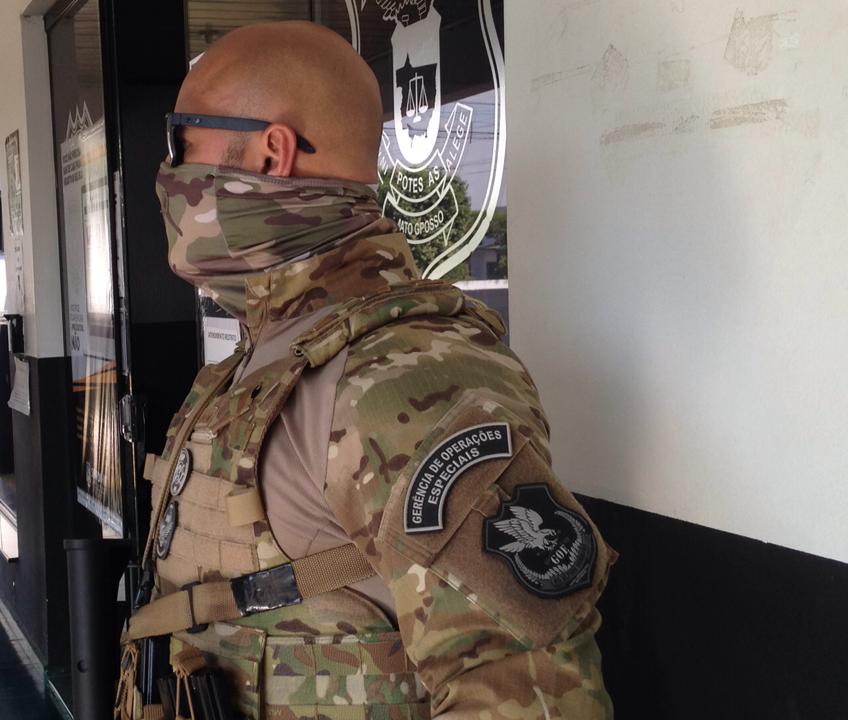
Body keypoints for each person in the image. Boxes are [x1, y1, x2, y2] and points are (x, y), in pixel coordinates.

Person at [119, 21, 614, 719]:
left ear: (270, 153)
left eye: (181, 141)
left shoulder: (401, 375)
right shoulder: (270, 355)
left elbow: (530, 697)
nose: (169, 169)